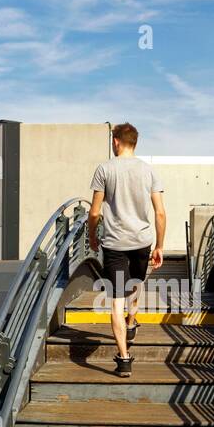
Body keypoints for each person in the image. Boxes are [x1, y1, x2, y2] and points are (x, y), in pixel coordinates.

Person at [88, 122, 166, 377]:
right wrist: (160, 246)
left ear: (116, 142)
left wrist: (92, 237)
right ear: (135, 142)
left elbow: (95, 212)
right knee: (136, 282)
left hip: (114, 244)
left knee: (115, 302)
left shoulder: (104, 169)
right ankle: (132, 322)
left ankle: (124, 358)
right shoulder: (148, 171)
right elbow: (160, 213)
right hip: (142, 242)